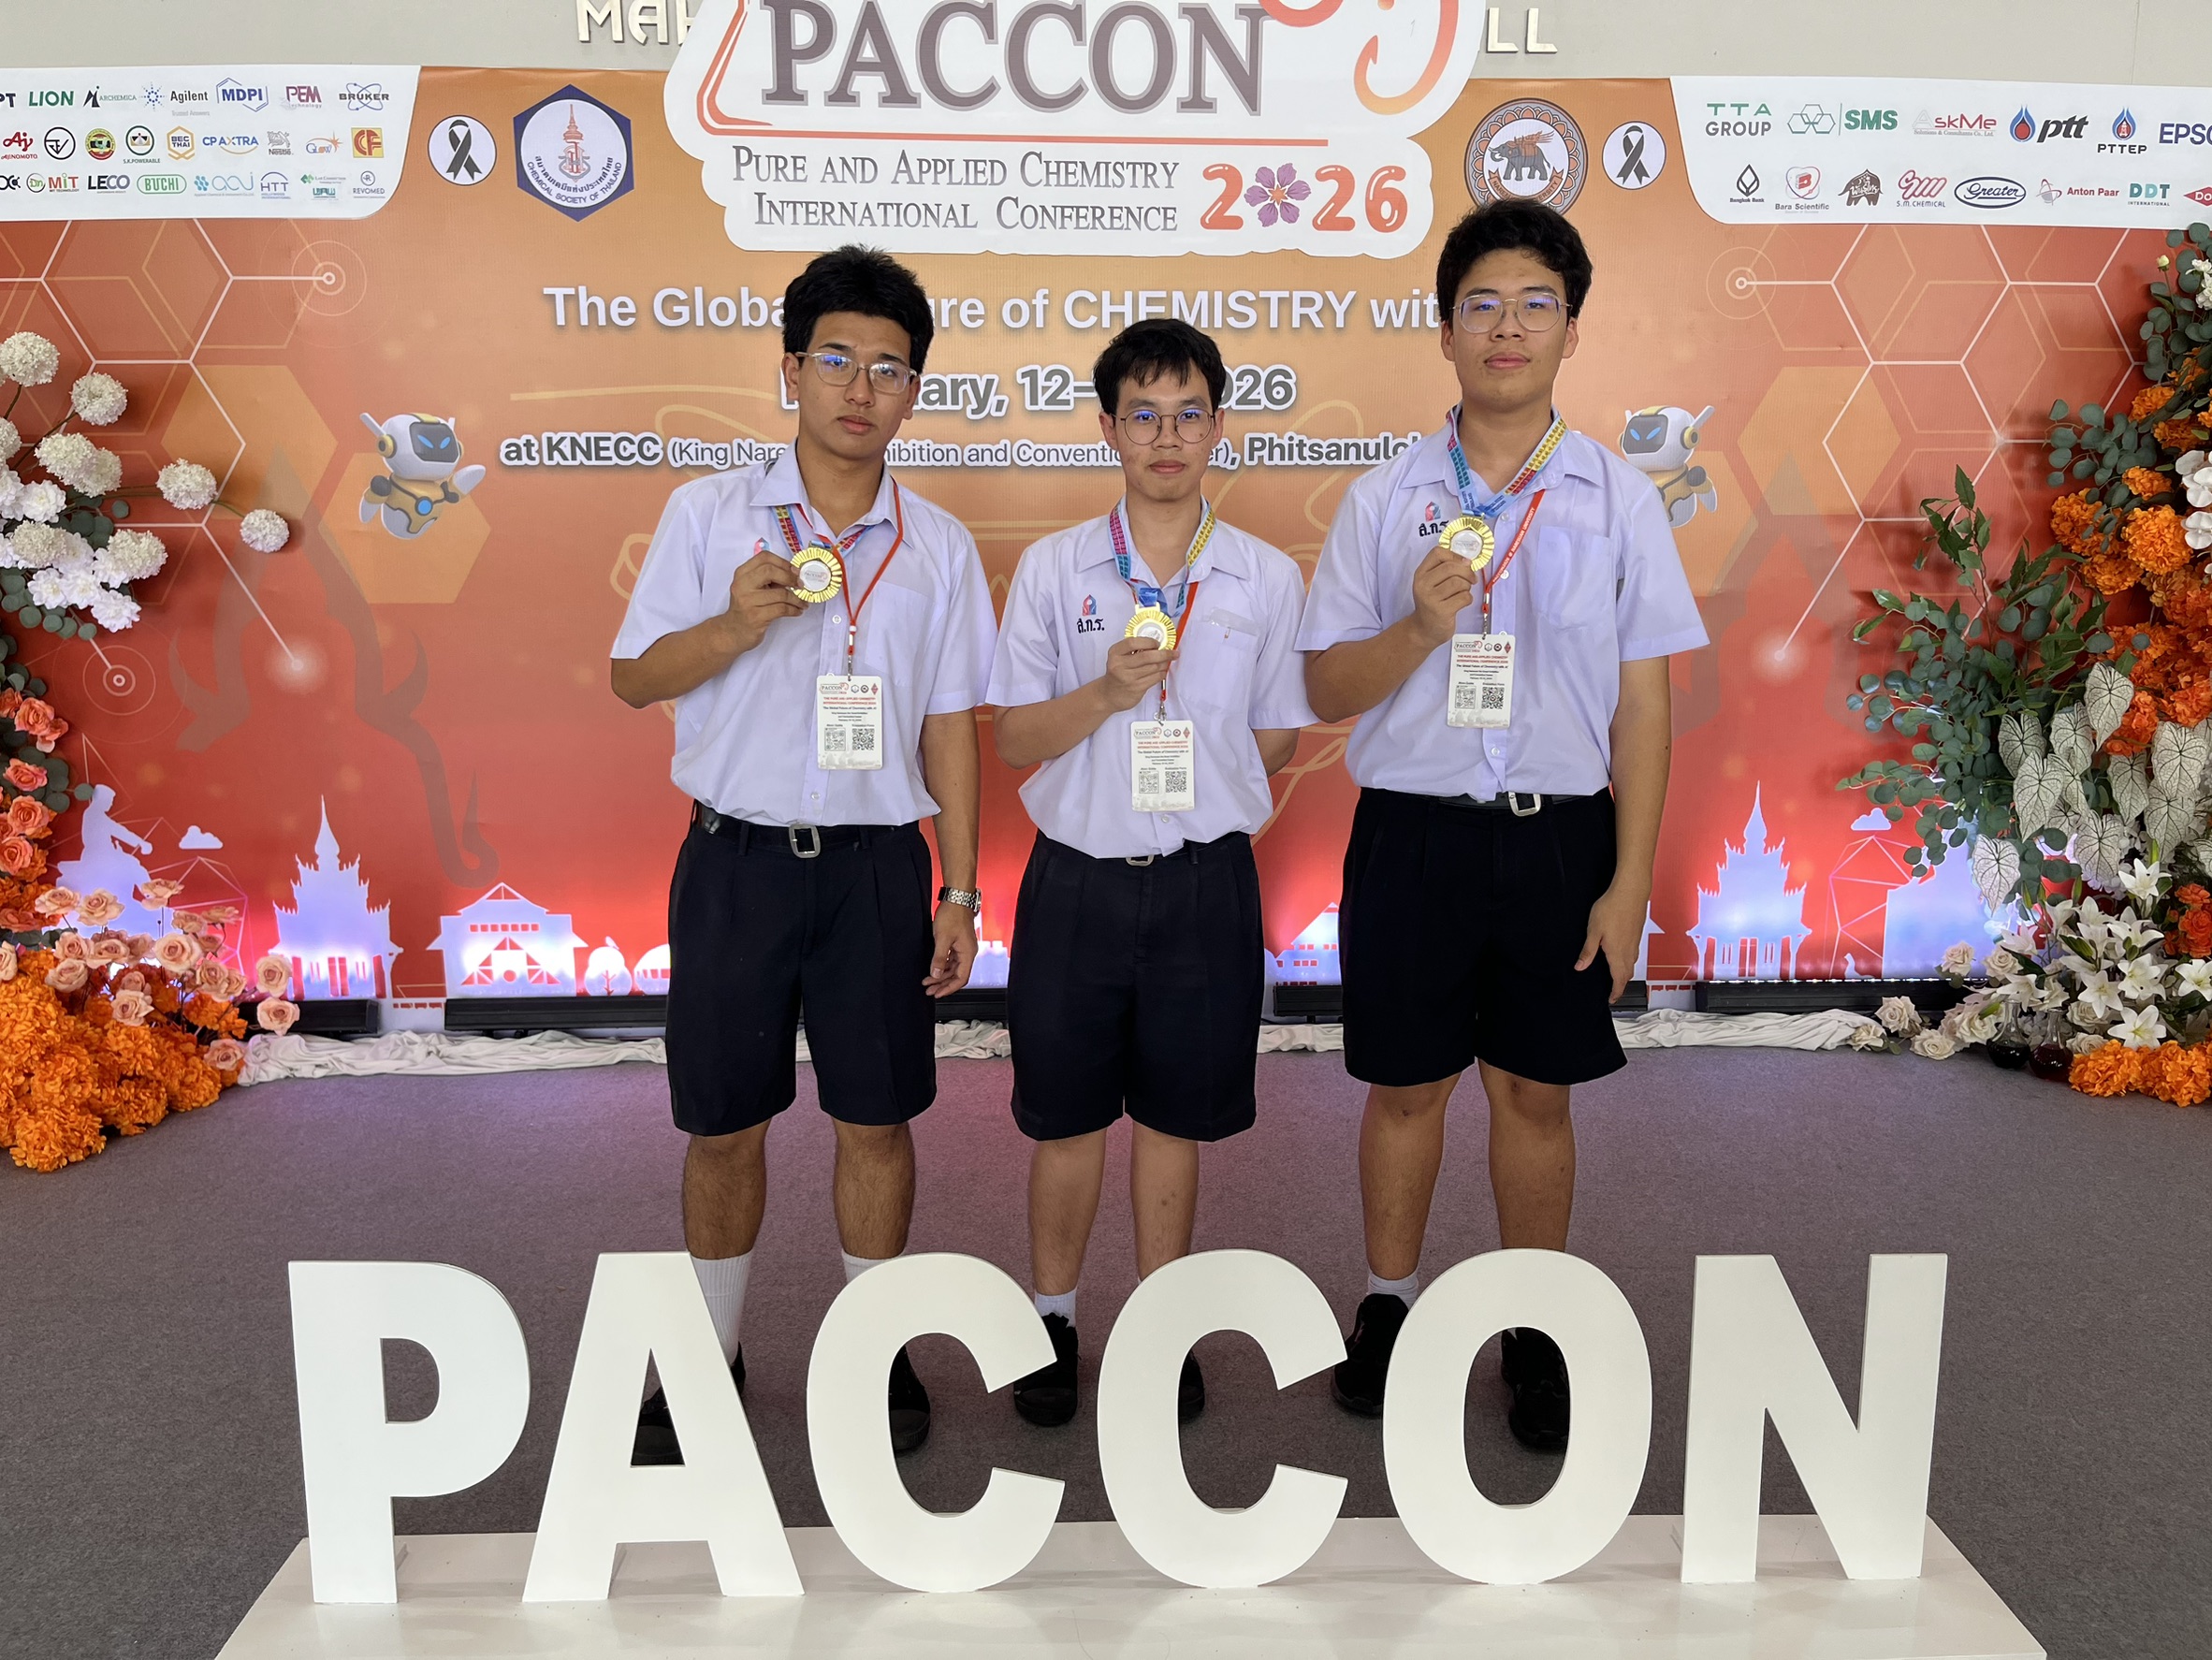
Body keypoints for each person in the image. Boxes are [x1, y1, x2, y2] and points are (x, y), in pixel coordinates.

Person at [1297, 201, 1707, 1449]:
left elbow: (1645, 702)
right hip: (1412, 836)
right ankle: (1389, 1302)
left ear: (1572, 332)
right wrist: (1420, 629)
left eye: (1536, 304)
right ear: (1445, 333)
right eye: (1482, 304)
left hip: (1555, 841)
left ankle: (1535, 1323)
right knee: (1406, 1087)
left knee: (1535, 1090)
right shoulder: (1384, 498)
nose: (1508, 327)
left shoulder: (1619, 499)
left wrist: (1629, 880)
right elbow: (1326, 685)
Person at [609, 245, 996, 1459]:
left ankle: (874, 1350)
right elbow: (633, 678)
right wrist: (734, 623)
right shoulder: (708, 513)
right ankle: (707, 1357)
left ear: (914, 392)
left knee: (876, 1119)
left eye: (889, 368)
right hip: (737, 865)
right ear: (790, 370)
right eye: (836, 358)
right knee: (724, 1122)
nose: (860, 387)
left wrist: (961, 887)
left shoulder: (939, 546)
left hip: (878, 872)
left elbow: (952, 725)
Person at [987, 318, 1313, 1427]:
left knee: (1175, 1118)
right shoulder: (1054, 568)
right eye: (1143, 415)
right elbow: (1015, 736)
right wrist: (1110, 697)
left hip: (1202, 883)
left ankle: (1160, 1324)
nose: (1167, 437)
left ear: (1219, 426)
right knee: (1065, 1119)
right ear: (1108, 429)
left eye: (1188, 415)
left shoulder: (1264, 576)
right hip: (1076, 880)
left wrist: (1202, 777)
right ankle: (1050, 1321)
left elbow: (1279, 735)